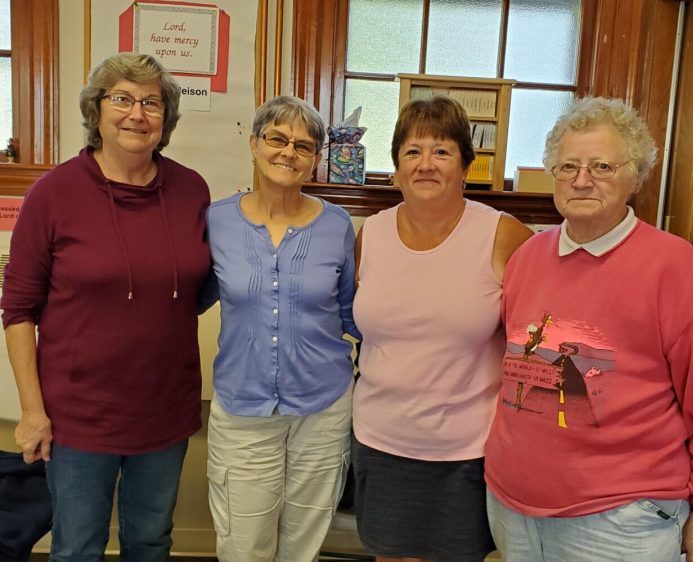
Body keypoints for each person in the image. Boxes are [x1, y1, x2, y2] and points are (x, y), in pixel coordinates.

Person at [484, 96, 693, 562]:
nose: (582, 179)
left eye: (602, 166)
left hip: (621, 518)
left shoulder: (675, 268)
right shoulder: (527, 257)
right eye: (568, 166)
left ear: (636, 175)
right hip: (512, 506)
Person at [1, 52, 211, 561]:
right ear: (96, 110)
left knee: (150, 542)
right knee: (77, 547)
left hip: (164, 410)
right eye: (121, 99)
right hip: (78, 417)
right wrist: (32, 411)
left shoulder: (192, 190)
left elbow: (200, 290)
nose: (136, 113)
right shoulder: (52, 194)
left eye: (151, 103)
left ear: (167, 119)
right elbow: (18, 310)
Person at [351, 95, 533, 562]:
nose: (426, 164)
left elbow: (539, 343)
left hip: (466, 452)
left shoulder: (503, 235)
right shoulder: (370, 233)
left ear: (466, 166)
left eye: (442, 151)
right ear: (395, 167)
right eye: (412, 151)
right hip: (381, 441)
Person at [202, 95, 360, 562]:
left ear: (315, 160)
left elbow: (353, 313)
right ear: (254, 143)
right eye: (277, 139)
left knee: (302, 545)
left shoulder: (337, 225)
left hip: (323, 407)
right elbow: (188, 296)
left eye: (304, 146)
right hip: (243, 406)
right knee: (241, 544)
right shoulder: (217, 220)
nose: (288, 152)